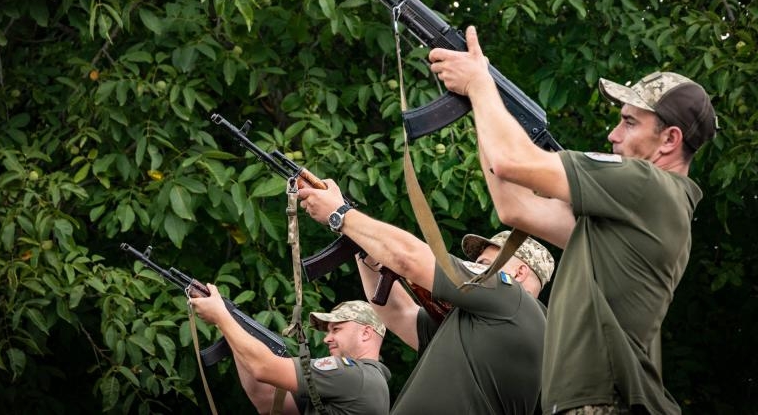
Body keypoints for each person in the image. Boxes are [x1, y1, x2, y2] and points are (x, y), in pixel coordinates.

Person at [427, 25, 718, 414]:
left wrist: (481, 84)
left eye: (630, 122)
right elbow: (514, 207)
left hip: (605, 401)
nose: (613, 134)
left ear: (669, 140)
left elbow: (510, 162)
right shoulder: (641, 210)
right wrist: (477, 101)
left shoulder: (649, 184)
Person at [298, 172, 555, 414]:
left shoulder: (512, 298)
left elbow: (410, 259)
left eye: (484, 264)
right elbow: (398, 313)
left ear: (519, 273)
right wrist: (360, 243)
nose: (475, 267)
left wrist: (341, 214)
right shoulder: (485, 326)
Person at [189, 292, 390, 415]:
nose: (326, 339)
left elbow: (264, 367)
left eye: (336, 329)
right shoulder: (366, 382)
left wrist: (222, 317)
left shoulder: (352, 375)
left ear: (365, 333)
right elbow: (266, 400)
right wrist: (232, 326)